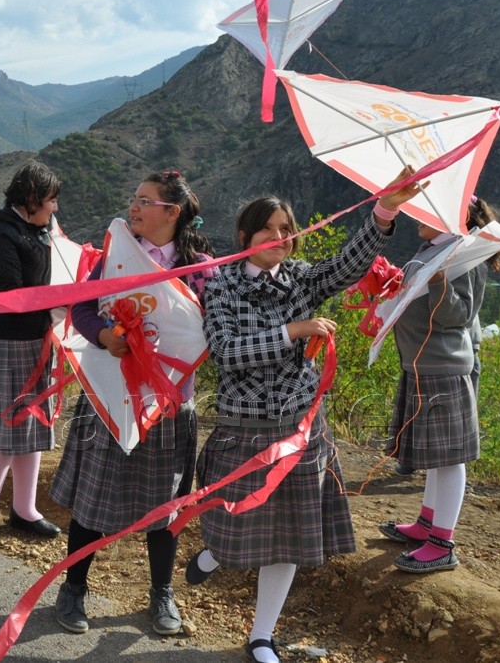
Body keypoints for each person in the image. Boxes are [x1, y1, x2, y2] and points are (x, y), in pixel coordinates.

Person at [185, 170, 421, 663]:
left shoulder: (302, 277)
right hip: (244, 429)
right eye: (267, 229)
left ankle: (261, 636)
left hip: (299, 428)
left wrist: (386, 211)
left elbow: (348, 265)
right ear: (245, 237)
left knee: (287, 539)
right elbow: (226, 352)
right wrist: (293, 330)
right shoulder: (222, 286)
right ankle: (215, 554)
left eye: (285, 229)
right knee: (234, 527)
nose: (279, 238)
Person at [50, 171, 213, 637]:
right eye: (133, 199)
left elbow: (208, 331)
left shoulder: (200, 269)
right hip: (111, 398)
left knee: (164, 507)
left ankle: (162, 592)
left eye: (145, 200)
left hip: (168, 406)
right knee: (93, 498)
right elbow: (83, 307)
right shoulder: (116, 257)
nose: (133, 207)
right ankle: (74, 587)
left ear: (172, 212)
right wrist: (103, 335)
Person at [378, 196, 500, 574]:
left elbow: (459, 315)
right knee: (436, 455)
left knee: (449, 459)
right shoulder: (432, 248)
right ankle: (426, 523)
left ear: (450, 218)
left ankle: (443, 542)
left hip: (444, 366)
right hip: (422, 364)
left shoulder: (463, 256)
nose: (416, 215)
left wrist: (437, 283)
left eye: (426, 210)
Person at [0, 161, 62, 551]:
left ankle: (25, 509)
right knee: (4, 435)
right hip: (3, 345)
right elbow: (13, 299)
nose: (55, 208)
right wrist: (60, 305)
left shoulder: (34, 232)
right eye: (51, 200)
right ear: (33, 199)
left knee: (31, 431)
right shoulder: (3, 236)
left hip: (33, 344)